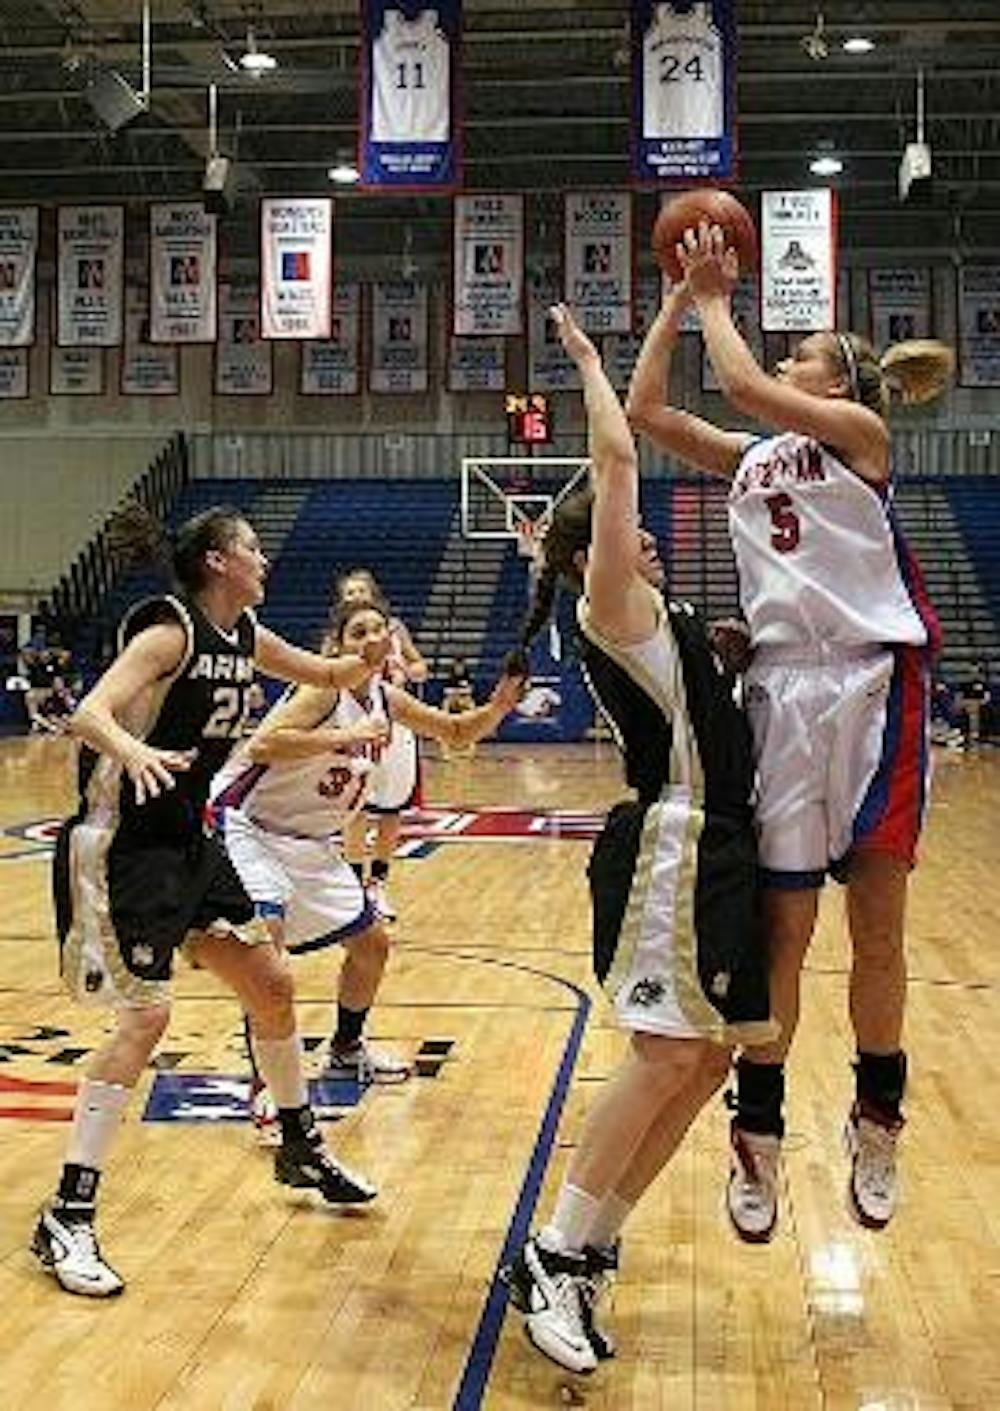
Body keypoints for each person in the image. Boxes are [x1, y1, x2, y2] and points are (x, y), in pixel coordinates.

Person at [626, 220, 954, 1239]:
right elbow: (643, 411)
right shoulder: (750, 456)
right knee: (784, 930)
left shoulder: (859, 435)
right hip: (778, 693)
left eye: (798, 354)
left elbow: (742, 390)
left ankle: (877, 1116)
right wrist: (681, 299)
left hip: (870, 689)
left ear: (839, 380)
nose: (779, 362)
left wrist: (718, 298)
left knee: (877, 931)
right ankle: (759, 1137)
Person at [502, 305, 773, 1375]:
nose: (649, 532)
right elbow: (617, 455)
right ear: (588, 554)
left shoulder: (666, 621)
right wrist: (595, 354)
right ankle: (552, 1248)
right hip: (666, 840)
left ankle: (594, 1245)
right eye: (627, 526)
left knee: (705, 1059)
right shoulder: (610, 601)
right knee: (665, 1050)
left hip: (715, 845)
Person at [35, 504, 385, 1301]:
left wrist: (368, 659)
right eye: (253, 549)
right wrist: (132, 746)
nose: (264, 561)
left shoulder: (247, 632)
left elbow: (326, 677)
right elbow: (88, 712)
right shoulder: (172, 632)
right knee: (146, 1019)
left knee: (272, 982)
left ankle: (299, 1141)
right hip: (122, 843)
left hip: (190, 839)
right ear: (220, 561)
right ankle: (68, 1211)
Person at [211, 594, 525, 1137]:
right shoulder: (322, 690)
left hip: (310, 840)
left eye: (378, 630)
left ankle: (345, 1047)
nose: (370, 641)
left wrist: (497, 706)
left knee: (372, 945)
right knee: (269, 958)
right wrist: (346, 736)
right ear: (336, 647)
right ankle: (267, 1087)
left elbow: (454, 734)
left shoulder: (387, 697)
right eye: (357, 633)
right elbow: (263, 744)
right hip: (250, 828)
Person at [336, 569, 429, 922]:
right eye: (349, 593)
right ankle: (354, 887)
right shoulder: (338, 641)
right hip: (355, 728)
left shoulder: (394, 631)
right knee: (356, 810)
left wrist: (411, 671)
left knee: (392, 810)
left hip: (395, 730)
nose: (356, 596)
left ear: (372, 594)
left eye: (361, 591)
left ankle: (377, 884)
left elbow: (419, 665)